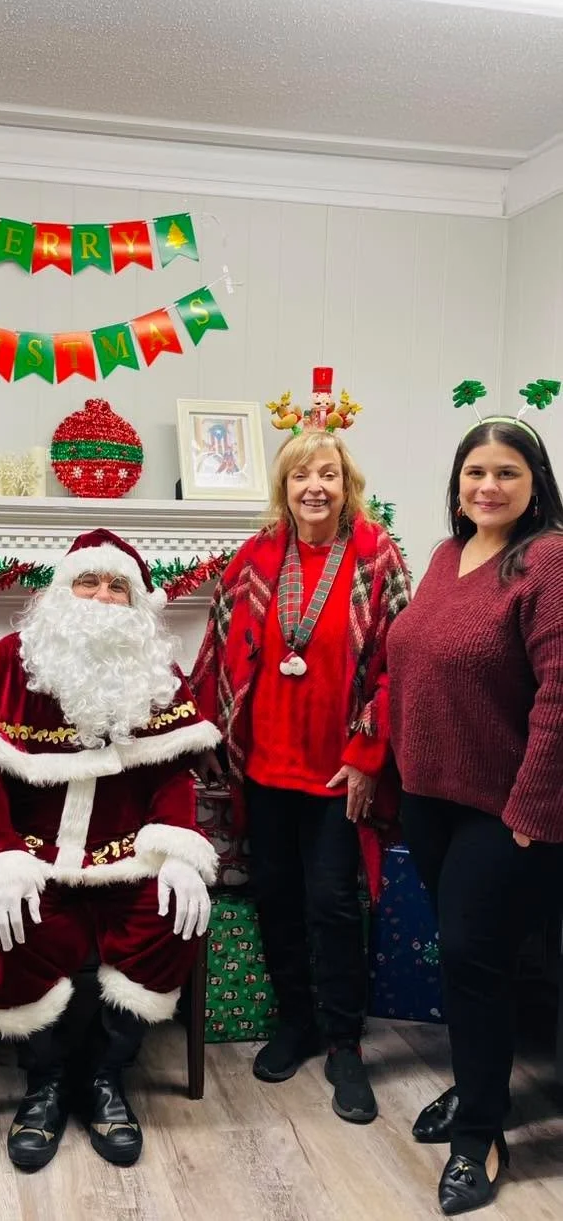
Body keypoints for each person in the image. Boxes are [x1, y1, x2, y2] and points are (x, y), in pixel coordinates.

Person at [0, 529, 221, 1171]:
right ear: (62, 593)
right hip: (34, 860)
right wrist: (0, 863)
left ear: (136, 602)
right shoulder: (13, 659)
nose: (101, 596)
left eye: (117, 585)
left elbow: (172, 773)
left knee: (171, 920)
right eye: (88, 582)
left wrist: (179, 851)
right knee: (16, 930)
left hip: (126, 860)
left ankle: (105, 1077)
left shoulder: (156, 671)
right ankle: (46, 1083)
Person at [190, 380, 411, 1125]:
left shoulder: (380, 558)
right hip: (265, 768)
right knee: (275, 898)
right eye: (300, 475)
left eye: (329, 476)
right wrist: (208, 734)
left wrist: (367, 754)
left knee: (330, 904)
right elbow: (218, 652)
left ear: (348, 487)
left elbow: (397, 667)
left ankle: (345, 1042)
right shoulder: (255, 553)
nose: (314, 487)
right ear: (283, 486)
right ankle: (298, 1020)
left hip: (338, 772)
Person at [388, 399, 563, 1216]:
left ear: (536, 485)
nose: (488, 485)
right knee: (466, 961)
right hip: (429, 798)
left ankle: (480, 1134)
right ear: (456, 486)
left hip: (507, 807)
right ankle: (476, 1086)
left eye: (506, 472)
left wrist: (532, 803)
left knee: (471, 954)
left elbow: (561, 693)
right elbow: (416, 666)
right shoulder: (444, 554)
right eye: (475, 472)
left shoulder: (549, 561)